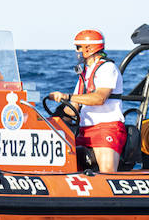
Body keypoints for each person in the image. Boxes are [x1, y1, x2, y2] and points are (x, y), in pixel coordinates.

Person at [49, 29, 126, 174]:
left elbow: (99, 98)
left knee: (107, 172)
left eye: (78, 48)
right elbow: (73, 108)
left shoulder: (108, 68)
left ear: (89, 48)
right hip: (84, 131)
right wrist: (52, 120)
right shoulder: (85, 73)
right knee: (66, 162)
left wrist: (66, 96)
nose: (76, 52)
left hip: (107, 128)